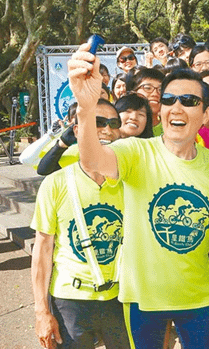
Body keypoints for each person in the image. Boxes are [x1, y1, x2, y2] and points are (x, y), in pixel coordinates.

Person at [68, 42, 209, 347]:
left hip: (199, 298)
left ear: (207, 112)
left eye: (189, 100)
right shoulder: (135, 151)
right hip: (142, 299)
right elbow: (91, 160)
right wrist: (85, 107)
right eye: (169, 99)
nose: (177, 107)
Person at [31, 99, 129, 349]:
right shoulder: (55, 184)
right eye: (97, 122)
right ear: (77, 130)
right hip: (70, 300)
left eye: (113, 123)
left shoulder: (131, 182)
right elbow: (42, 250)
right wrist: (42, 312)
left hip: (121, 297)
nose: (107, 129)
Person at [131, 67, 165, 136]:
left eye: (160, 90)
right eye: (147, 88)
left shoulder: (170, 130)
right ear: (133, 92)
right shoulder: (123, 128)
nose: (155, 94)